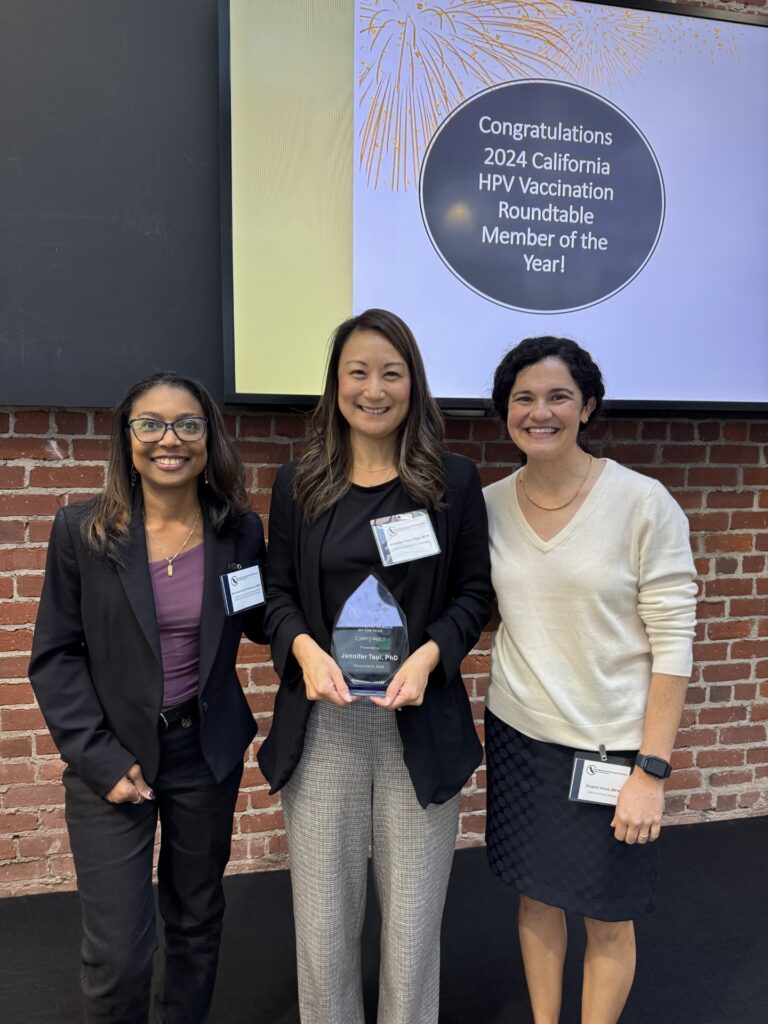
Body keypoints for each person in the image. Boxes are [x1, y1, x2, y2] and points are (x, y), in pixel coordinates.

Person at [258, 308, 492, 1024]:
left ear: (413, 385)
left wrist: (429, 656)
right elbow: (276, 594)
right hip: (324, 725)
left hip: (417, 725)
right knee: (324, 926)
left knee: (414, 926)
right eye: (358, 371)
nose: (374, 388)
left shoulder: (453, 481)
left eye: (392, 372)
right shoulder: (299, 482)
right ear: (335, 384)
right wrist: (302, 649)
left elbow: (474, 594)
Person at [29, 372, 267, 1024]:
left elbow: (261, 618)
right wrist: (101, 760)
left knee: (195, 925)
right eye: (151, 424)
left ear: (208, 437)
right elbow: (54, 657)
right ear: (126, 437)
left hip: (204, 754)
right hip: (113, 760)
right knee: (118, 959)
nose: (170, 439)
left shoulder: (236, 532)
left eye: (188, 424)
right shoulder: (82, 533)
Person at [483, 337, 697, 1024]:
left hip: (612, 748)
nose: (538, 412)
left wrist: (652, 770)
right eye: (523, 398)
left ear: (587, 407)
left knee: (607, 915)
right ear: (505, 411)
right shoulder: (486, 506)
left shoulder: (643, 503)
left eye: (557, 397)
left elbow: (672, 645)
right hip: (521, 738)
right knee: (537, 898)